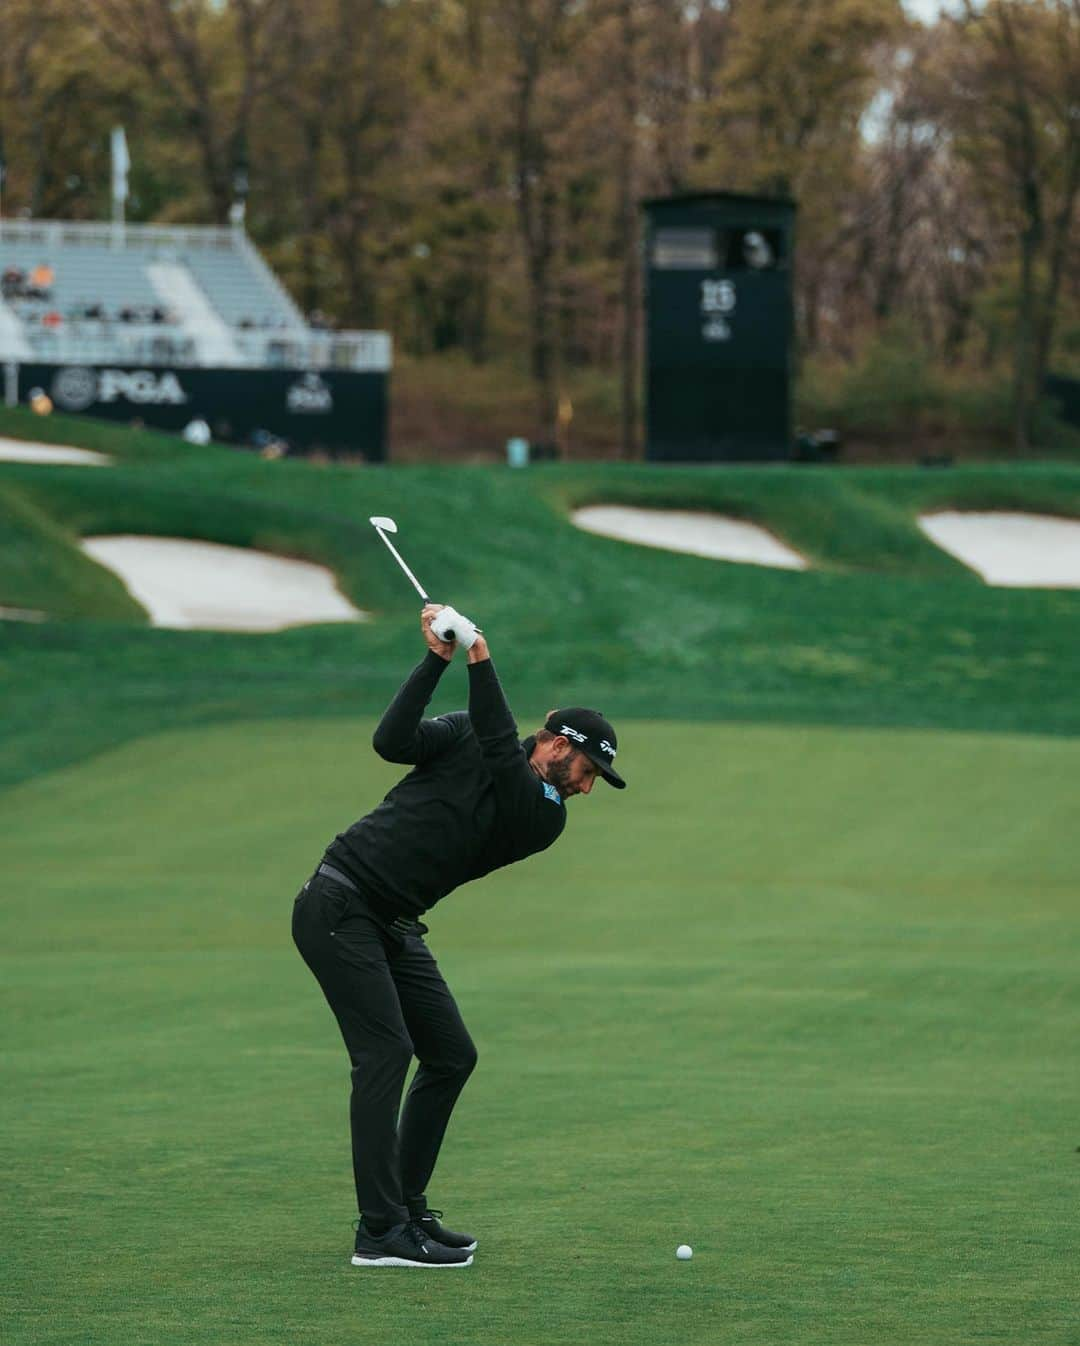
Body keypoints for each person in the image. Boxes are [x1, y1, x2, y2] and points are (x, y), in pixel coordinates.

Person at [291, 603, 626, 1269]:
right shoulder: (471, 732)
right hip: (339, 902)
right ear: (560, 747)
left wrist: (480, 654)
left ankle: (408, 1211)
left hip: (390, 921)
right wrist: (438, 660)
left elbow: (505, 761)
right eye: (589, 773)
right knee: (385, 1056)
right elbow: (392, 743)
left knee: (450, 1054)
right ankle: (379, 1232)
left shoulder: (543, 816)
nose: (588, 790)